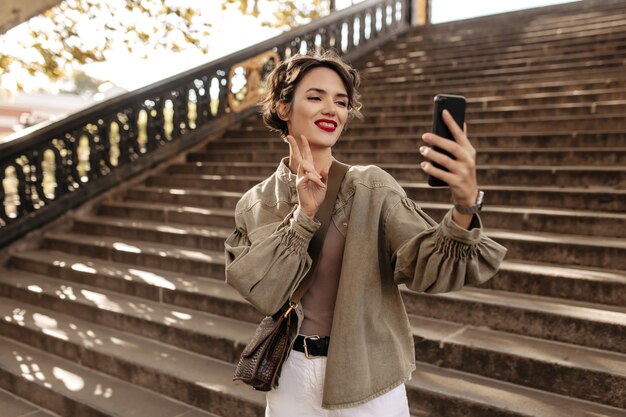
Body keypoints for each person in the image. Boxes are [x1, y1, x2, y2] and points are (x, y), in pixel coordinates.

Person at [224, 51, 507, 417]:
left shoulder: (371, 187)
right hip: (289, 376)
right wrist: (304, 216)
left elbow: (427, 267)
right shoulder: (257, 203)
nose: (332, 109)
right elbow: (262, 291)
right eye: (316, 97)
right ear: (283, 107)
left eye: (341, 102)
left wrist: (466, 204)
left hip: (368, 378)